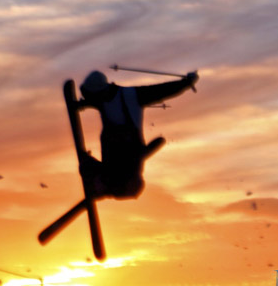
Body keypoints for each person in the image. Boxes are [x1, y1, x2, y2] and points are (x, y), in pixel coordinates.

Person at [77, 69, 198, 199]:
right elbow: (90, 99)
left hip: (129, 161)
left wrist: (186, 83)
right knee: (89, 165)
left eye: (95, 97)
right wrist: (80, 104)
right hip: (113, 164)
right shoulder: (100, 99)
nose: (95, 100)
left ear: (102, 91)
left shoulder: (131, 96)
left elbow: (161, 90)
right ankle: (99, 181)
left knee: (111, 160)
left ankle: (101, 183)